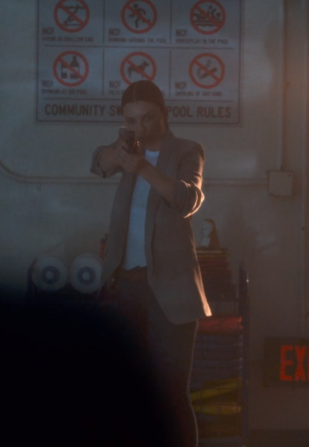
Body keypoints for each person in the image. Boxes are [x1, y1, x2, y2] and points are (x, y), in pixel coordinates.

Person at [91, 80, 211, 447]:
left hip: (171, 290)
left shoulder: (187, 150)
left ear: (165, 114)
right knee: (124, 391)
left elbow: (187, 199)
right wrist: (120, 152)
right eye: (131, 120)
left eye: (148, 118)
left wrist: (142, 166)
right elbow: (98, 163)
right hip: (125, 285)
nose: (141, 127)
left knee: (172, 393)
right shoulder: (127, 146)